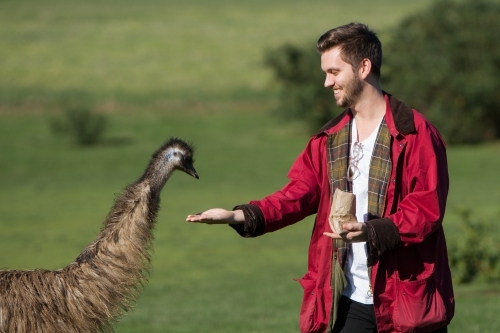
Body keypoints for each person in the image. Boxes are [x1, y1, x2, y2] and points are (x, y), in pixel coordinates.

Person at [186, 22, 454, 333]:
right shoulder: (329, 138)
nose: (327, 82)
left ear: (363, 67)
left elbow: (426, 208)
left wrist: (372, 231)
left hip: (405, 302)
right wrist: (239, 215)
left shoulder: (415, 134)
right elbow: (298, 193)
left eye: (334, 72)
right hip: (346, 298)